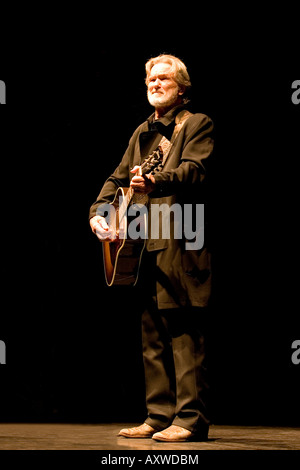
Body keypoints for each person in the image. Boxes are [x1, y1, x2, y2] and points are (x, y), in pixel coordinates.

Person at [89, 54, 214, 442]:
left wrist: (155, 182)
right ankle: (158, 415)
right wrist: (98, 211)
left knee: (183, 329)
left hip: (181, 234)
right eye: (150, 80)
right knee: (152, 331)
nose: (155, 84)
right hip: (142, 238)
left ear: (182, 87)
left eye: (164, 79)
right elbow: (117, 178)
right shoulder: (142, 131)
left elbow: (196, 169)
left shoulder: (195, 124)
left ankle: (190, 419)